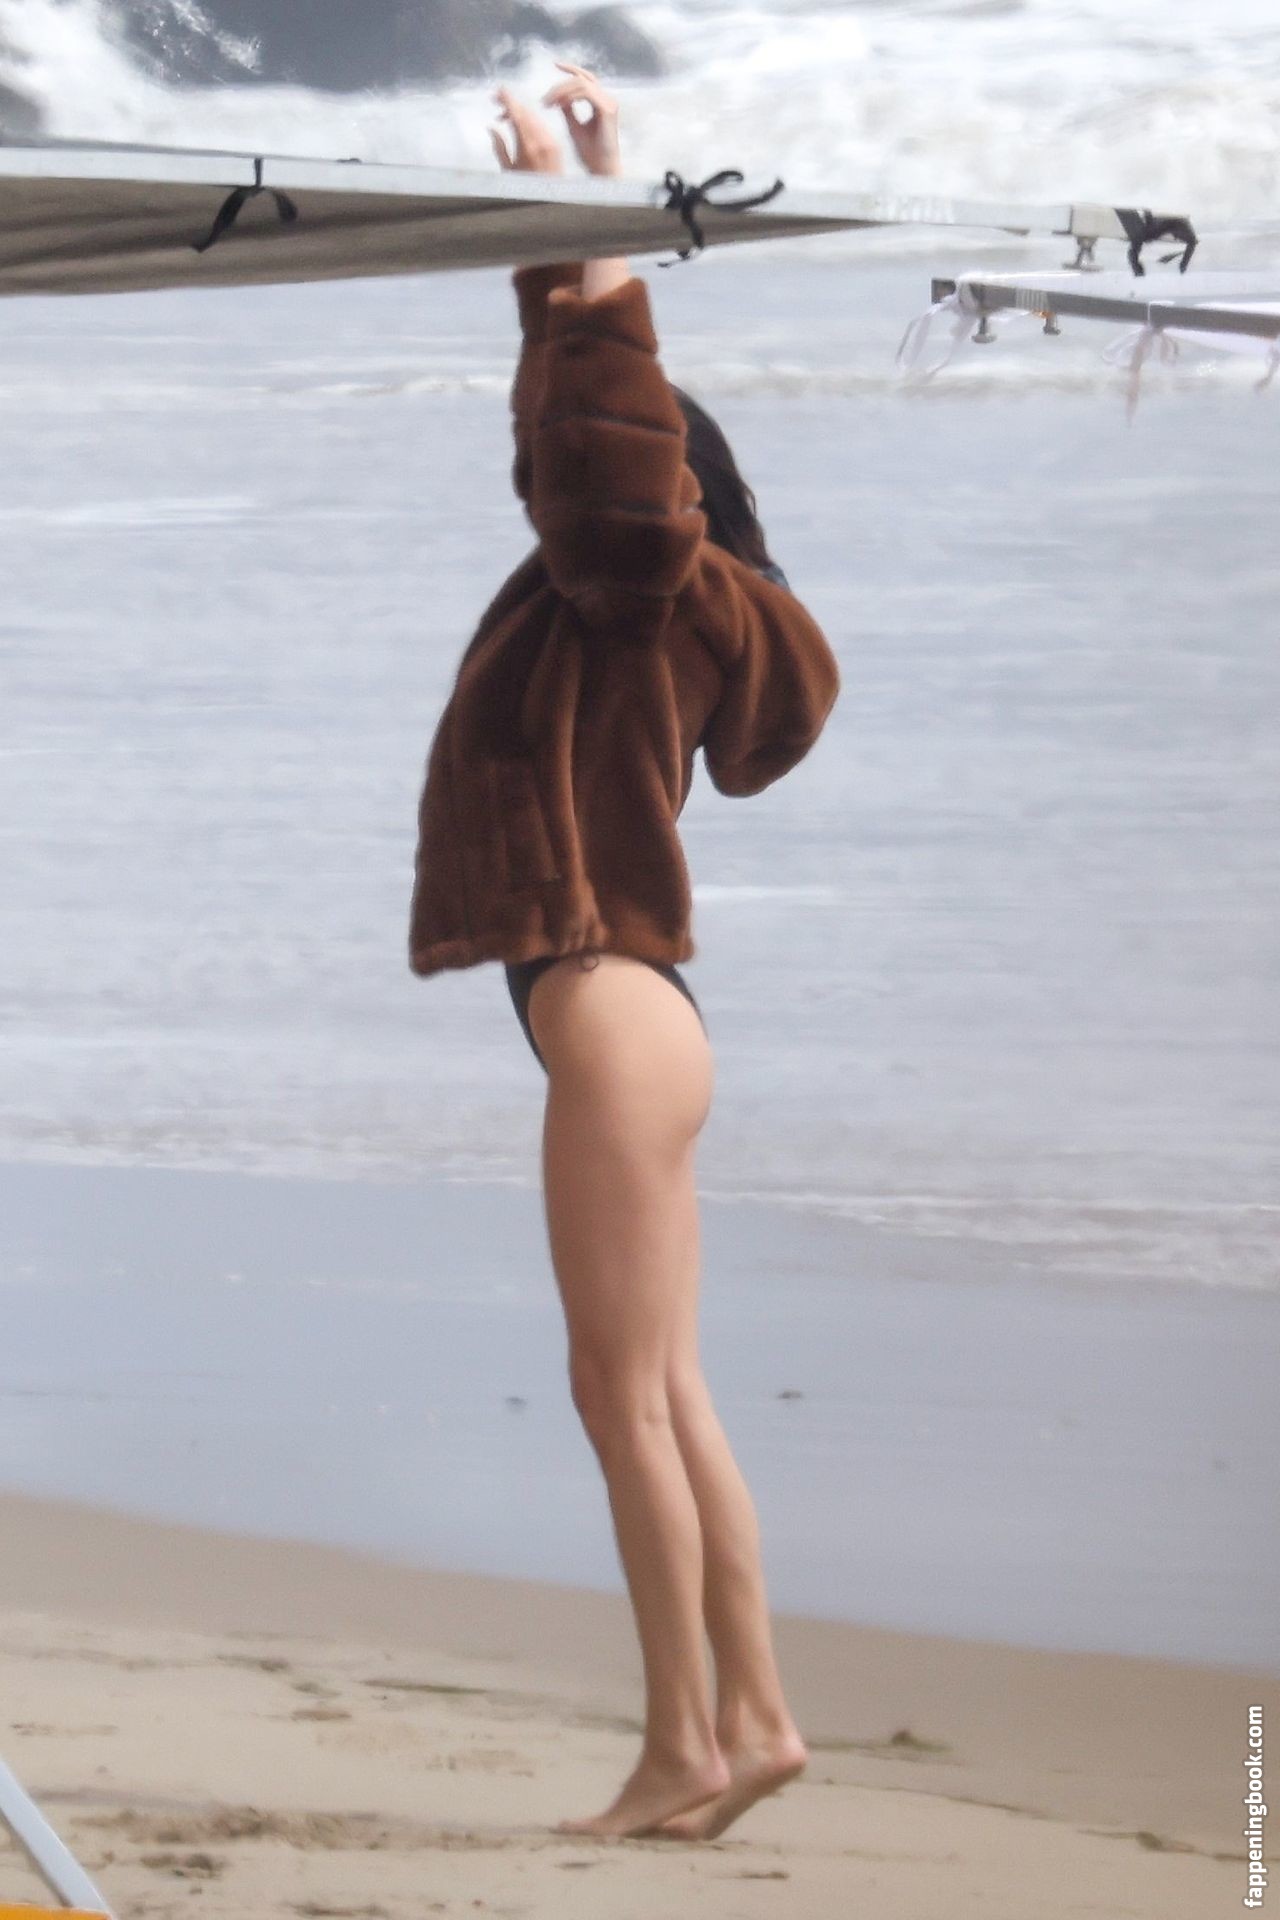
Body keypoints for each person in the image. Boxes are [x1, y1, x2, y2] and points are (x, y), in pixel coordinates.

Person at [407, 61, 841, 1841]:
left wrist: (592, 248)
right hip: (646, 1010)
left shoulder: (635, 574)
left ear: (664, 483)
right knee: (663, 1391)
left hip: (604, 999)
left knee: (622, 1401)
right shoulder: (671, 603)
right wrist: (570, 223)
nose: (542, 481)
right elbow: (576, 418)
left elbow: (600, 438)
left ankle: (685, 1747)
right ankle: (759, 1717)